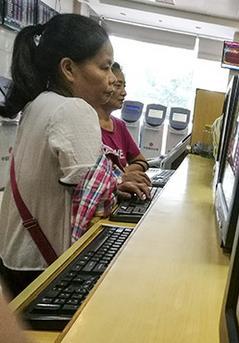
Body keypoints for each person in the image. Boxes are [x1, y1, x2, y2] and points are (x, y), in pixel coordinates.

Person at [0, 14, 149, 297]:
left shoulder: (39, 104)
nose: (112, 79)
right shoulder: (74, 110)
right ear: (68, 68)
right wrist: (118, 187)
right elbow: (97, 207)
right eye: (105, 68)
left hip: (15, 261)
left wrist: (115, 180)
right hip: (45, 269)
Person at [95, 63, 151, 185]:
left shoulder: (120, 125)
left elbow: (141, 162)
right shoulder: (88, 126)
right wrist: (121, 175)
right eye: (118, 86)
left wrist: (124, 173)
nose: (124, 93)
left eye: (124, 86)